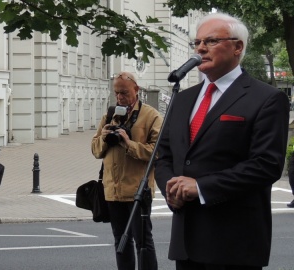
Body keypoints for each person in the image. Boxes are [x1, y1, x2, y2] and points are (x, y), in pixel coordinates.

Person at [154, 13, 290, 269]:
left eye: (211, 41)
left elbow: (266, 165)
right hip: (186, 241)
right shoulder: (183, 98)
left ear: (238, 47)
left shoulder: (267, 98)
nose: (200, 48)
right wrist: (170, 190)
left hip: (234, 244)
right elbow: (163, 155)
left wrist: (202, 187)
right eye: (197, 42)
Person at [91, 71, 162, 270]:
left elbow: (157, 152)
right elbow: (95, 150)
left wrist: (129, 144)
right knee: (120, 241)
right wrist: (104, 138)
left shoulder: (151, 116)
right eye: (116, 93)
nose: (120, 97)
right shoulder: (110, 114)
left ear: (136, 90)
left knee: (143, 242)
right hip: (113, 191)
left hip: (138, 191)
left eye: (124, 93)